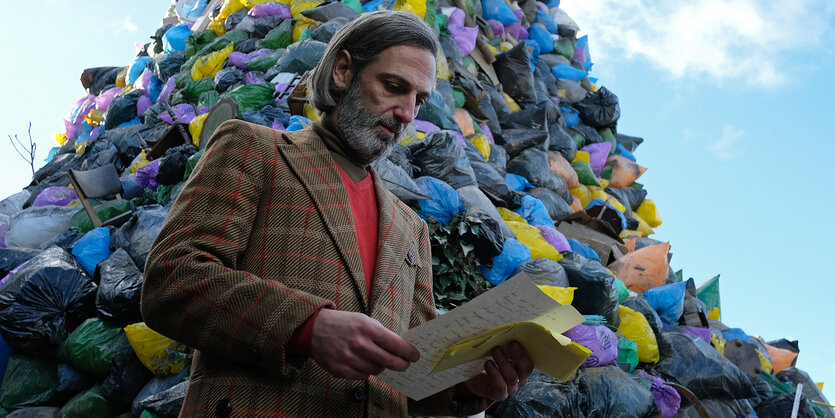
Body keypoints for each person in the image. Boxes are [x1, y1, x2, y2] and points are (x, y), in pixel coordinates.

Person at [142, 10, 533, 418]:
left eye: (418, 100)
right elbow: (171, 278)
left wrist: (467, 384)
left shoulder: (411, 227)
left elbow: (409, 374)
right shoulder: (254, 149)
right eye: (394, 87)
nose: (406, 114)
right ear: (344, 71)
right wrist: (307, 328)